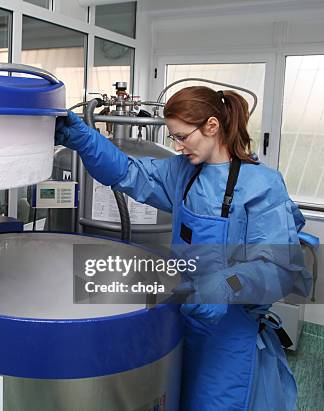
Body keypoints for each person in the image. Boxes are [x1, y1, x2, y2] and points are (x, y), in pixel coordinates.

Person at [55, 86, 312, 411]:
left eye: (183, 137)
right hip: (180, 322)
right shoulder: (183, 174)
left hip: (228, 337)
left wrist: (224, 285)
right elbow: (129, 172)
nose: (177, 146)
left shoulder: (262, 186)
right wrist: (85, 140)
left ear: (212, 127)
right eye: (173, 138)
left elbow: (278, 267)